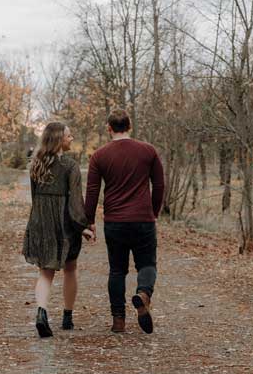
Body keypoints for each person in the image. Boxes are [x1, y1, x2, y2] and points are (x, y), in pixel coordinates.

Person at [84, 109, 164, 334]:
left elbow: (92, 191)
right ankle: (143, 294)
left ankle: (118, 320)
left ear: (109, 128)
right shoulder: (148, 151)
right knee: (147, 264)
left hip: (115, 222)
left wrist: (89, 221)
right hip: (143, 220)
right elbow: (159, 185)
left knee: (117, 270)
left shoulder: (99, 155)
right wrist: (153, 211)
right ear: (130, 126)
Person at [22, 122, 94, 337]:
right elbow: (75, 203)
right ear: (59, 139)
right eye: (69, 136)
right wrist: (83, 227)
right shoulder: (70, 166)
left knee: (45, 271)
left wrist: (37, 221)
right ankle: (67, 317)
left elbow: (35, 198)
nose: (72, 139)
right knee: (70, 268)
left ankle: (41, 313)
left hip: (41, 221)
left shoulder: (36, 164)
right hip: (64, 223)